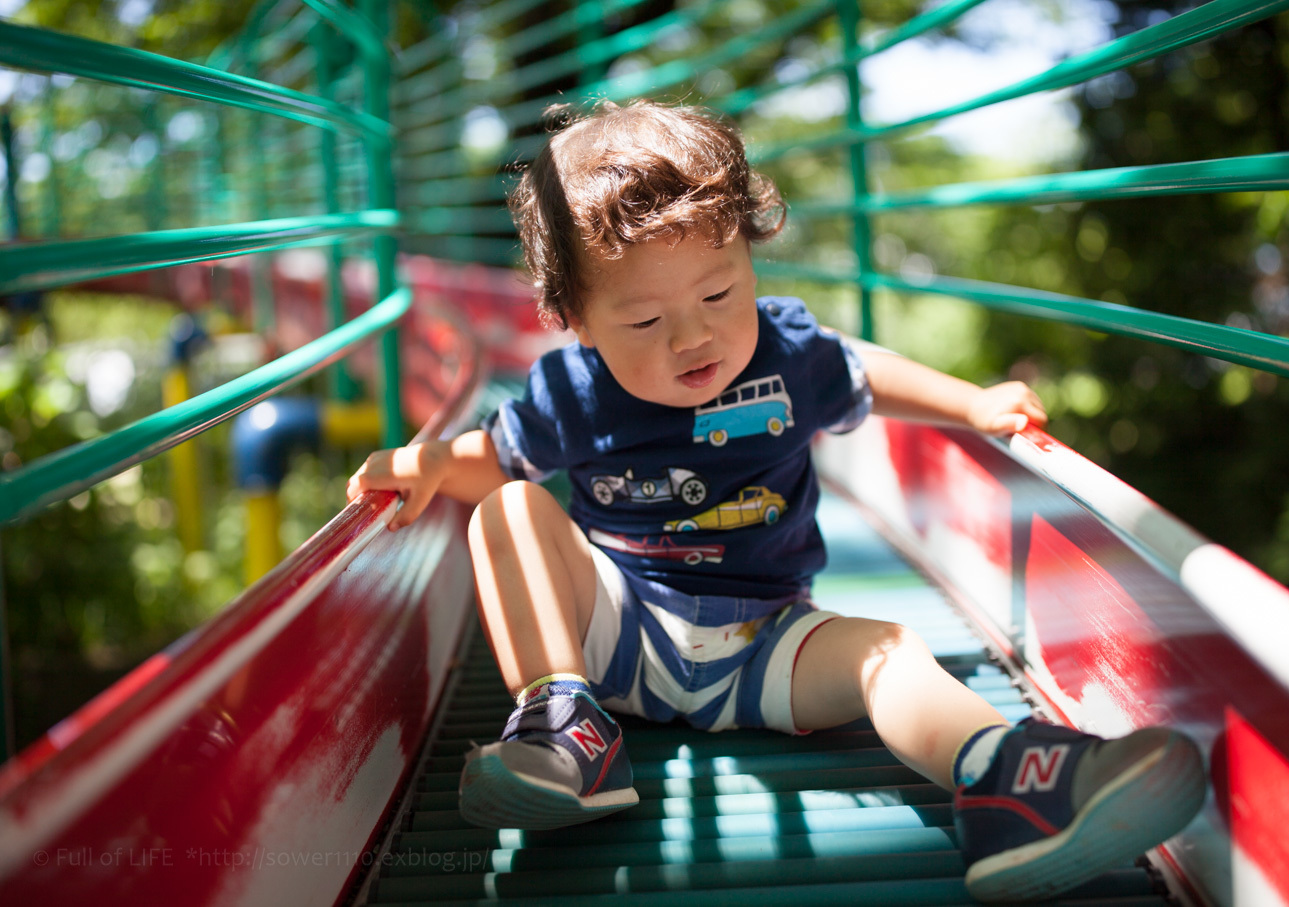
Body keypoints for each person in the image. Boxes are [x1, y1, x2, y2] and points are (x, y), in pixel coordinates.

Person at [347, 99, 1206, 903]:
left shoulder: (786, 356)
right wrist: (424, 466)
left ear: (750, 258)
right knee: (509, 509)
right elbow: (491, 454)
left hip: (769, 641)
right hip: (623, 627)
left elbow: (866, 374)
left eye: (720, 294)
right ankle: (565, 725)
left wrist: (973, 403)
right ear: (573, 315)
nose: (693, 336)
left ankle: (1005, 781)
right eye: (644, 321)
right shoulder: (571, 393)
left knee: (889, 652)